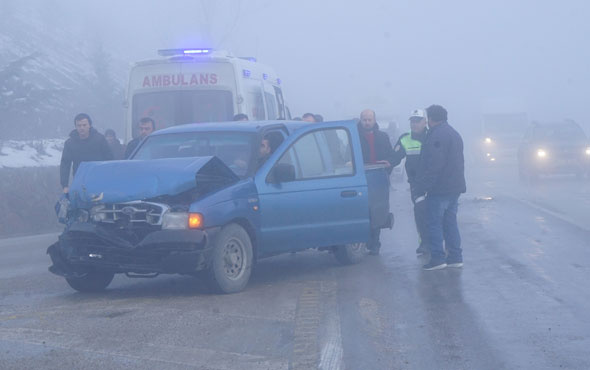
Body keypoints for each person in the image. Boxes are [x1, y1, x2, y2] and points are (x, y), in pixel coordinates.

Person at [413, 105, 466, 270]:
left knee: (434, 224)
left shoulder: (437, 136)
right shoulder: (453, 133)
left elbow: (434, 165)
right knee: (450, 223)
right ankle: (455, 257)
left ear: (430, 119)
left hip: (439, 189)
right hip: (454, 188)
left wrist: (422, 187)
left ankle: (438, 258)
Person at [391, 109, 429, 254]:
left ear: (425, 122)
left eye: (417, 121)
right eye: (412, 121)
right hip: (416, 184)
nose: (414, 124)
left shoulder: (433, 136)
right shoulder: (405, 138)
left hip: (434, 183)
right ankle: (424, 243)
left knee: (436, 215)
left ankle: (438, 243)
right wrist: (385, 165)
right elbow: (394, 158)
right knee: (420, 213)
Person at [357, 109, 394, 255]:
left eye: (369, 119)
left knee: (377, 211)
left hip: (379, 178)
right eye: (364, 119)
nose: (367, 122)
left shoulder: (383, 137)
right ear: (361, 120)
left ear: (374, 120)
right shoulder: (355, 137)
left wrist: (386, 170)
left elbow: (390, 157)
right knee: (363, 211)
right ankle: (364, 241)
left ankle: (375, 243)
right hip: (361, 178)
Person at [60, 113, 113, 193]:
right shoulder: (70, 143)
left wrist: (110, 179)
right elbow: (65, 164)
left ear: (90, 125)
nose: (82, 128)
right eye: (79, 125)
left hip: (99, 180)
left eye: (84, 125)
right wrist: (65, 185)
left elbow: (110, 159)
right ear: (76, 127)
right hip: (80, 181)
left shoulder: (100, 139)